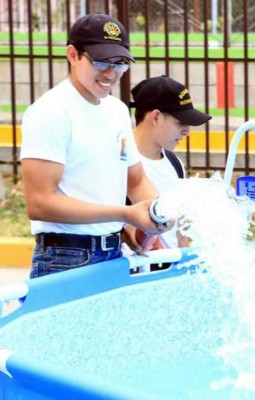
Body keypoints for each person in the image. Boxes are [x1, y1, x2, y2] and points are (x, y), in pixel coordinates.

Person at [20, 13, 169, 278]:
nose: (111, 73)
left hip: (113, 252)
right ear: (73, 55)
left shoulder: (117, 110)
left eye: (120, 63)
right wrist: (126, 214)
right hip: (65, 257)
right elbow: (40, 203)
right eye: (101, 61)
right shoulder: (51, 112)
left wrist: (158, 213)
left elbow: (135, 181)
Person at [125, 75, 212, 249]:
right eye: (181, 123)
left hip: (170, 269)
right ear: (156, 117)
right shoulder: (121, 161)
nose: (187, 132)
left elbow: (180, 230)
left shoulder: (174, 163)